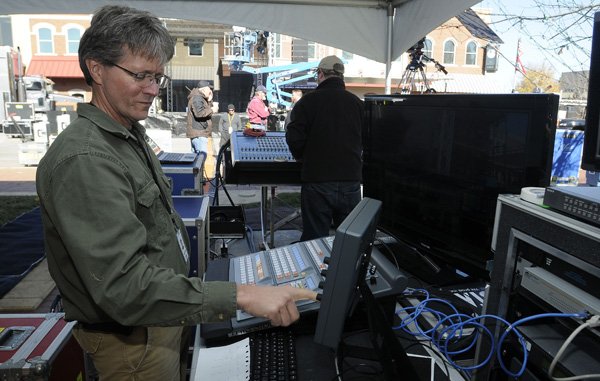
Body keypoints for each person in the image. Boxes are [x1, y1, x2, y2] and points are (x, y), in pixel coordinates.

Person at [35, 5, 316, 380]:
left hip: (162, 319)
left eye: (157, 77)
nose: (152, 89)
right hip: (135, 343)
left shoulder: (125, 134)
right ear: (96, 68)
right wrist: (242, 295)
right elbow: (124, 289)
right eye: (140, 75)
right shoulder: (86, 159)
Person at [286, 56, 363, 241]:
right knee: (350, 241)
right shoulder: (358, 104)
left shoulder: (306, 103)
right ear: (341, 76)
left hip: (317, 180)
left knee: (315, 240)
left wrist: (305, 158)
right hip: (351, 181)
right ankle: (344, 270)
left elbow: (294, 138)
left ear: (320, 74)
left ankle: (316, 269)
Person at [187, 80, 213, 156]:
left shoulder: (200, 98)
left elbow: (203, 109)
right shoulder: (197, 98)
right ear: (204, 90)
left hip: (199, 132)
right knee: (201, 158)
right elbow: (199, 113)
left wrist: (209, 100)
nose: (210, 91)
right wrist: (212, 110)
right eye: (209, 89)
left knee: (196, 159)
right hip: (199, 133)